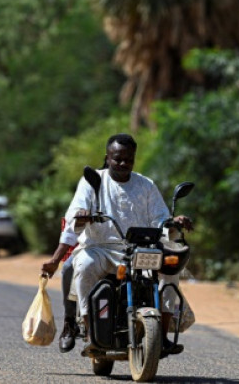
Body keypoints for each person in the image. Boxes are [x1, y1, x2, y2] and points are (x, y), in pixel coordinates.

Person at [41, 133, 193, 356]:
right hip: (100, 248)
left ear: (134, 159)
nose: (123, 164)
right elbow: (73, 221)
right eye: (117, 158)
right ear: (107, 157)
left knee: (171, 270)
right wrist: (81, 220)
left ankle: (162, 334)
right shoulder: (93, 181)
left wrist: (173, 221)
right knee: (81, 267)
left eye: (128, 159)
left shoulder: (146, 185)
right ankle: (91, 333)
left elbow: (160, 220)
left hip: (140, 249)